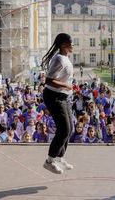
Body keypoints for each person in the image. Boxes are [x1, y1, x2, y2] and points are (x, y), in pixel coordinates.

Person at [41, 33, 74, 174]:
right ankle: (49, 161)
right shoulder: (59, 59)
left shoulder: (65, 58)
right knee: (64, 129)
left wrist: (67, 86)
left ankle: (60, 157)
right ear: (63, 45)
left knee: (69, 127)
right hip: (53, 96)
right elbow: (48, 81)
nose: (73, 45)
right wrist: (66, 85)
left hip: (62, 96)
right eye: (70, 43)